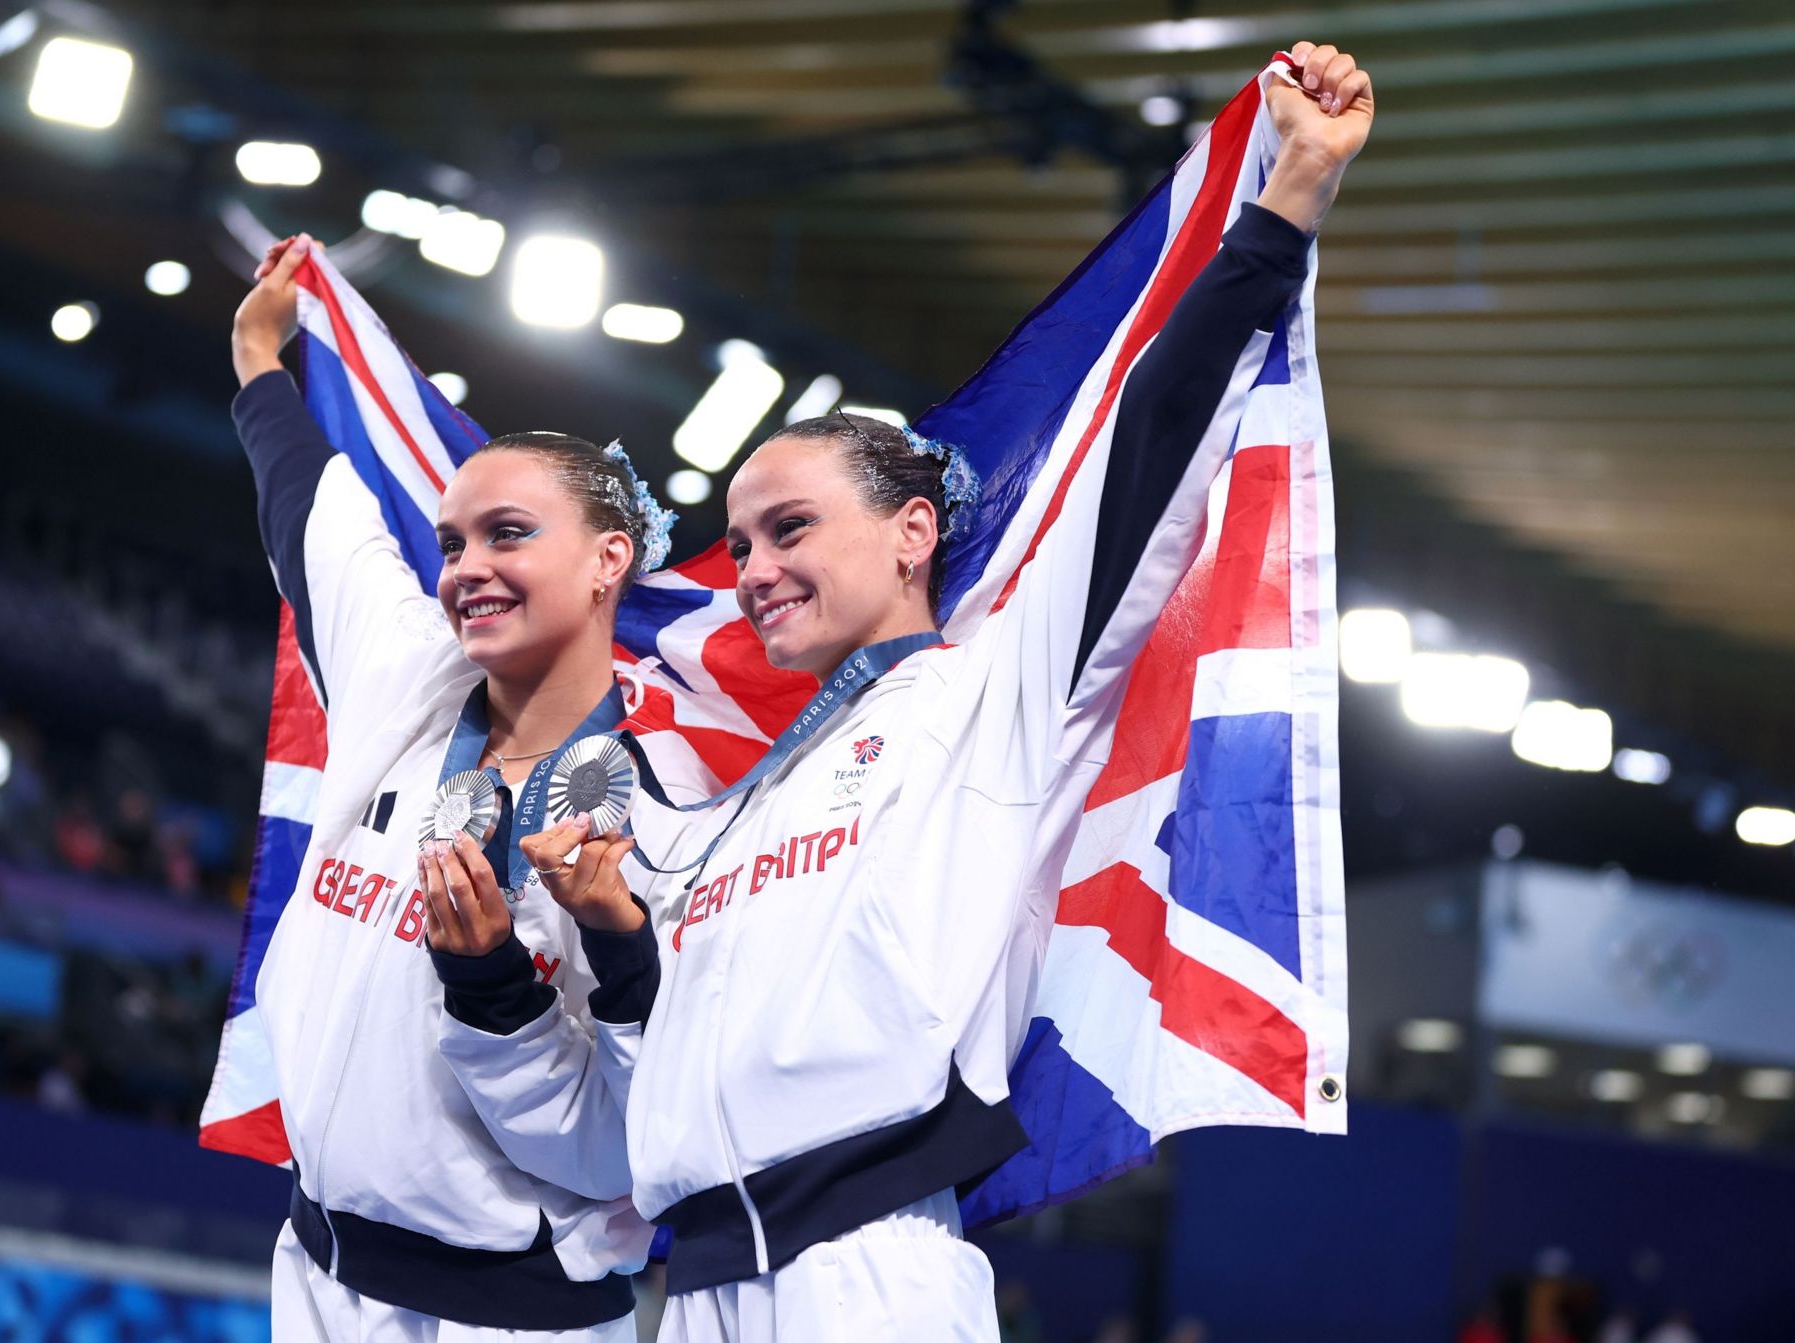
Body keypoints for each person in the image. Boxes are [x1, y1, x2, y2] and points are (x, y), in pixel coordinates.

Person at [434, 38, 1372, 1342]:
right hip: (700, 1286)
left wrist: (1281, 212)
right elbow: (640, 1097)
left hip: (865, 1277)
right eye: (744, 539)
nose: (753, 568)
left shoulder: (993, 687)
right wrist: (572, 956)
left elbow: (1147, 443)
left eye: (792, 528)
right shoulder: (735, 805)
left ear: (914, 531)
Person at [229, 237, 703, 1341]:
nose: (463, 569)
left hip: (509, 1313)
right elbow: (309, 509)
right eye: (450, 542)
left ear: (607, 560)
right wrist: (259, 356)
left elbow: (635, 1131)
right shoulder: (407, 674)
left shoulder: (669, 806)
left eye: (508, 533)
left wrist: (501, 985)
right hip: (317, 1266)